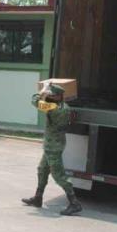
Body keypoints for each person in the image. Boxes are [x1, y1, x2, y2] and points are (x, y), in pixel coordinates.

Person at [22, 84, 82, 216]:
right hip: (53, 145)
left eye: (51, 95)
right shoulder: (62, 106)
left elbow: (35, 101)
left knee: (59, 176)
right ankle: (38, 198)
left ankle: (74, 203)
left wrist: (41, 92)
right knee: (42, 170)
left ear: (58, 96)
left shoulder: (54, 108)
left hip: (53, 147)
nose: (49, 96)